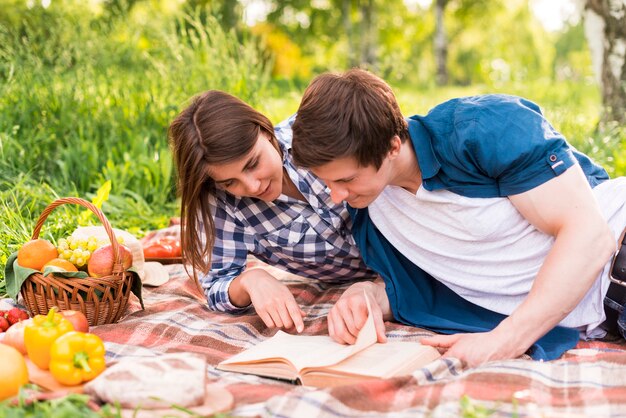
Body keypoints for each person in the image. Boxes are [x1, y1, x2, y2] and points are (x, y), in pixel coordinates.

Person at [290, 68, 626, 366]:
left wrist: (503, 340)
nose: (335, 196)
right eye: (328, 182)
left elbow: (590, 234)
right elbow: (423, 286)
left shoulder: (481, 128)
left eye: (346, 180)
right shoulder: (371, 211)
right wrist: (366, 295)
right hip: (608, 316)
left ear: (392, 147)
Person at [168, 90, 377, 333]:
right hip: (368, 288)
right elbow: (217, 284)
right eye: (230, 182)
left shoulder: (318, 132)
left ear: (265, 132)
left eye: (253, 163)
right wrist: (251, 281)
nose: (252, 186)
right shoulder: (224, 203)